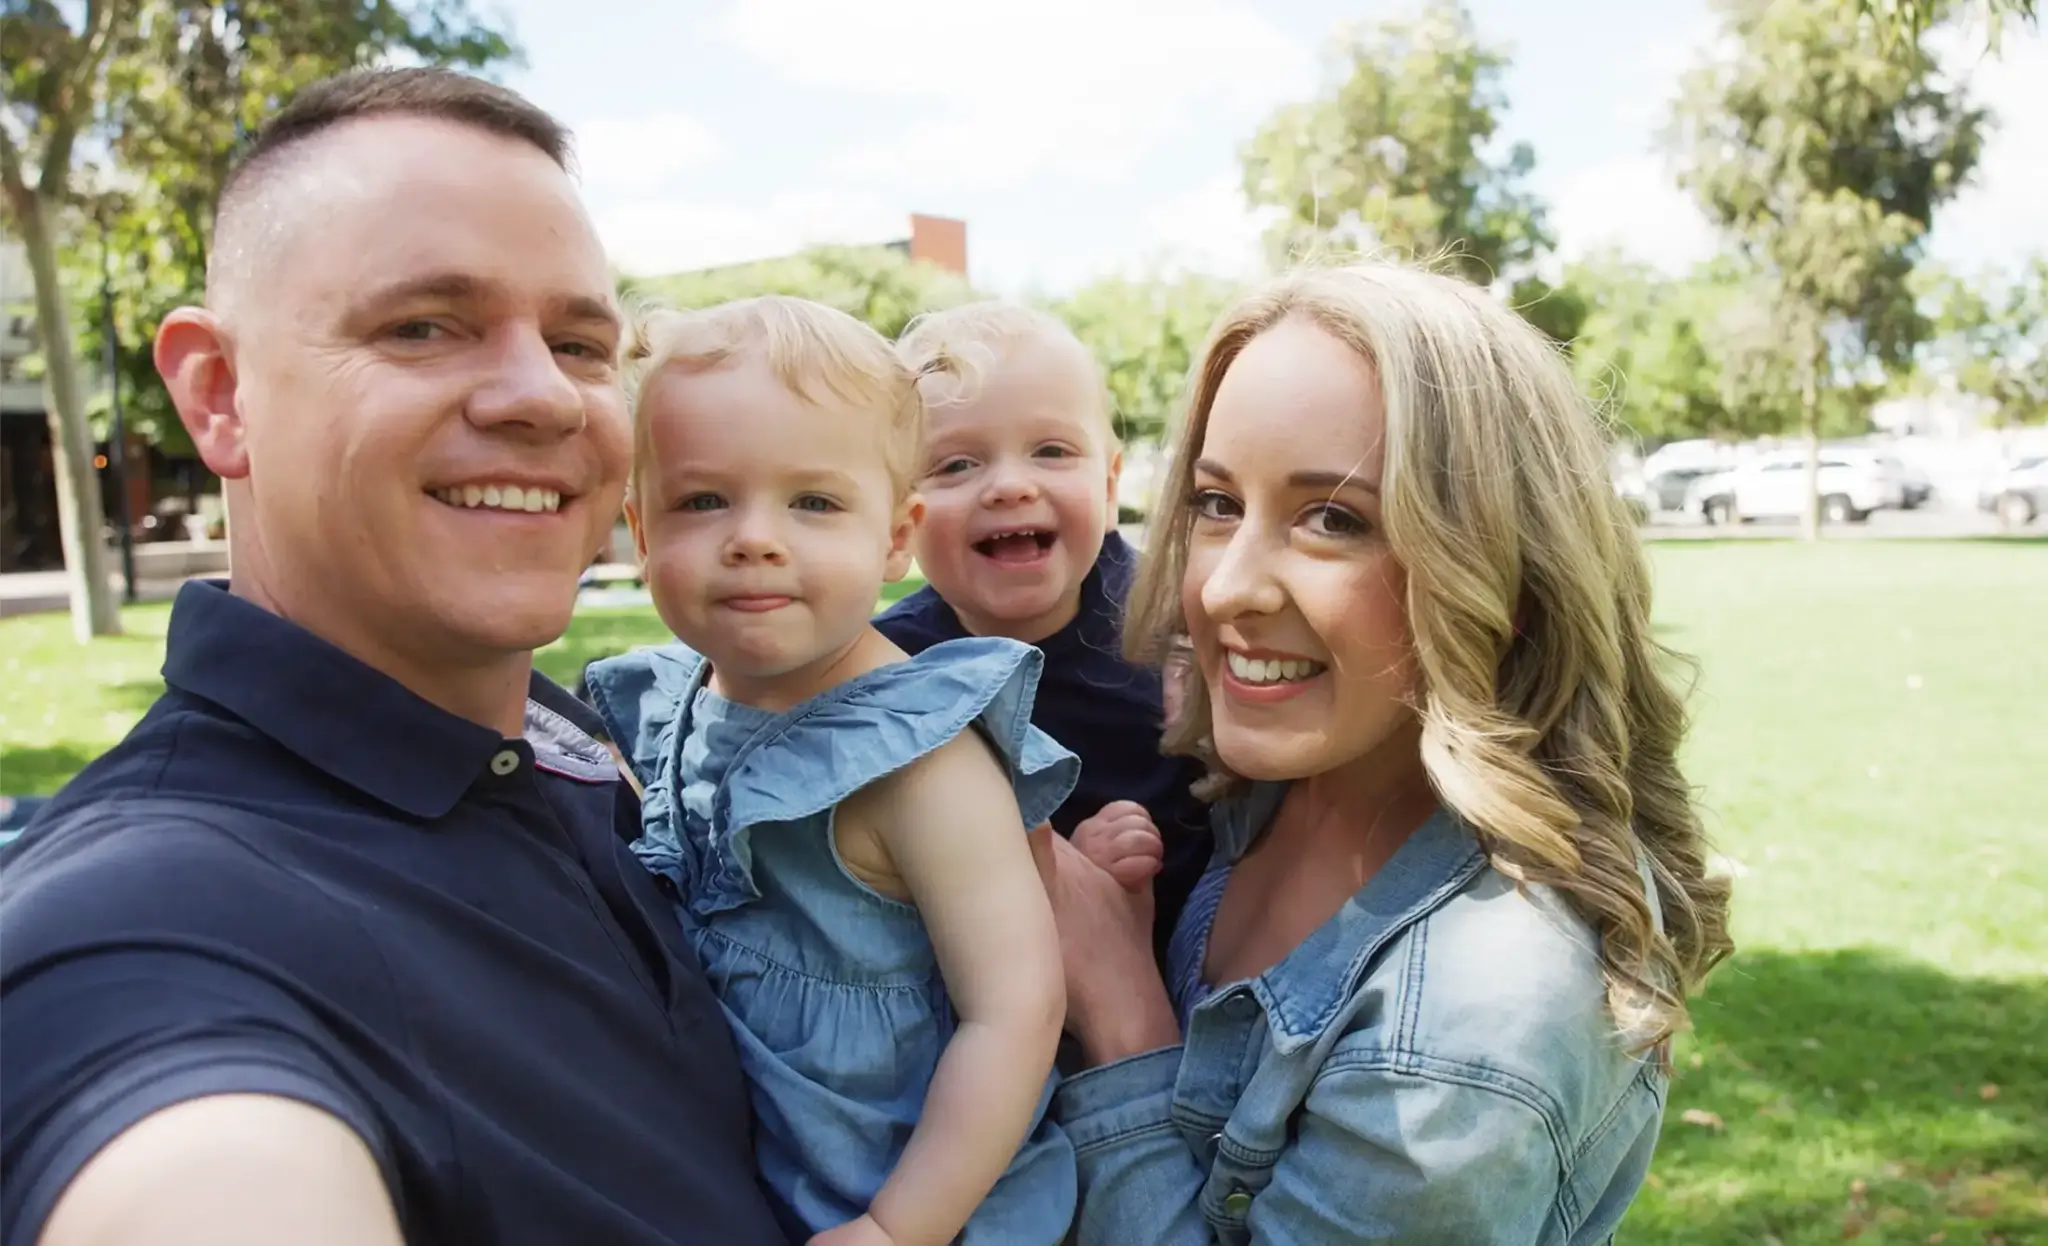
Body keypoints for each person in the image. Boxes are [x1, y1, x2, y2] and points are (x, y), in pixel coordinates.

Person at [0, 69, 791, 1246]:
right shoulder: (150, 916)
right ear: (219, 396)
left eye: (580, 342)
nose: (544, 396)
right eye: (422, 325)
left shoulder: (587, 742)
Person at [1045, 260, 1736, 1243]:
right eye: (1214, 503)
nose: (1226, 586)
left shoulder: (1471, 1018)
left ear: (1496, 561)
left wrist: (1120, 1010)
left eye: (1332, 518)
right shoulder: (1258, 794)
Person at [580, 296, 1077, 1246]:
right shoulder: (669, 710)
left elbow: (1017, 1010)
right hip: (750, 1182)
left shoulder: (916, 757)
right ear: (641, 534)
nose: (753, 537)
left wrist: (902, 1225)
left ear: (896, 536)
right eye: (703, 500)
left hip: (928, 1201)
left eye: (813, 502)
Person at [875, 302, 1211, 962]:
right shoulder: (891, 665)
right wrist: (1068, 875)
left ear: (1109, 485)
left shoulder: (1172, 624)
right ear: (899, 513)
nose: (1008, 486)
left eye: (1051, 451)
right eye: (955, 465)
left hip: (1185, 963)